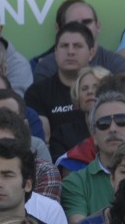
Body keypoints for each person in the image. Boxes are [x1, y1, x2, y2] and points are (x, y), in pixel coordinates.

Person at [62, 91, 125, 224]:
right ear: (94, 136)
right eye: (103, 124)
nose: (113, 129)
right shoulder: (76, 182)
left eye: (122, 120)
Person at [25, 23, 97, 161]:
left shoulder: (106, 88)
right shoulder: (37, 93)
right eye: (64, 46)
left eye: (77, 46)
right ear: (56, 52)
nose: (70, 52)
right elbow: (43, 142)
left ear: (92, 52)